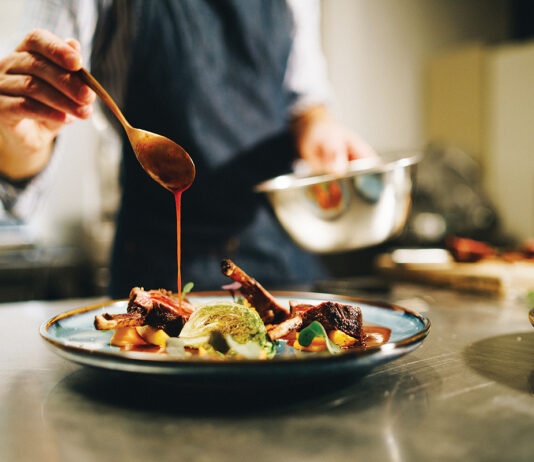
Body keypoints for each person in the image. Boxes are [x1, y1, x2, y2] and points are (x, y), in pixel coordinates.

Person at [0, 0, 375, 297]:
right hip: (160, 273)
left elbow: (305, 101)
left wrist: (318, 129)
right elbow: (28, 113)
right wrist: (19, 135)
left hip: (283, 264)